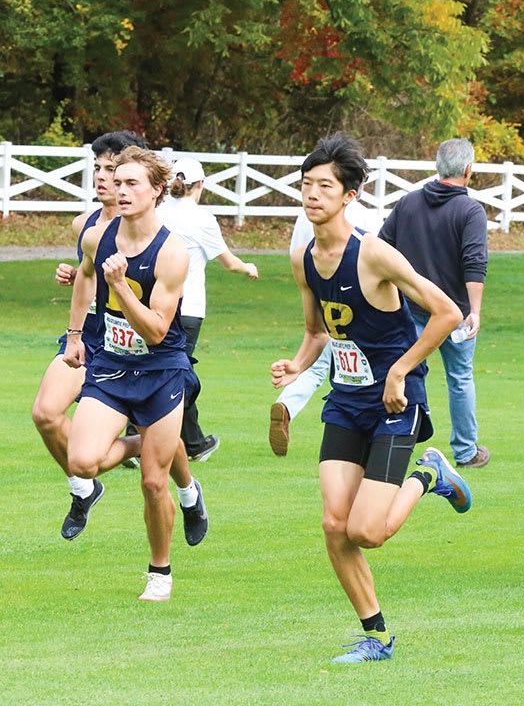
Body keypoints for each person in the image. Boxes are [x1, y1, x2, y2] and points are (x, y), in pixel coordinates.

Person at [269, 134, 472, 663]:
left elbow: (447, 312)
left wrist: (402, 370)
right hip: (345, 400)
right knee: (335, 526)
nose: (312, 195)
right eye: (306, 185)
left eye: (324, 186)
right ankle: (377, 636)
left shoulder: (375, 253)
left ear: (349, 195)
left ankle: (429, 475)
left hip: (395, 404)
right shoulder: (304, 259)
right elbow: (317, 333)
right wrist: (295, 363)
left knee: (367, 531)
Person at [64, 146, 210, 602]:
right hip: (110, 365)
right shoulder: (98, 236)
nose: (121, 191)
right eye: (118, 182)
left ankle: (159, 572)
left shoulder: (173, 252)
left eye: (132, 184)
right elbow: (87, 276)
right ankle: (154, 443)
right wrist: (74, 335)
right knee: (82, 462)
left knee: (152, 481)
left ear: (157, 191)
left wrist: (121, 287)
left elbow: (156, 330)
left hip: (161, 368)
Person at [32, 130, 143, 539]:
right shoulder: (85, 224)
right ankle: (84, 489)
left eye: (111, 170)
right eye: (96, 168)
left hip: (126, 346)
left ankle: (161, 457)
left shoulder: (146, 229)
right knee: (45, 414)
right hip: (85, 336)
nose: (100, 177)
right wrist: (71, 274)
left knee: (97, 452)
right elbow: (86, 275)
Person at [379, 138, 490, 468]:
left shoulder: (408, 203)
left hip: (410, 308)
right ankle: (466, 452)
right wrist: (475, 311)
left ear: (438, 165)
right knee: (459, 379)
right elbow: (474, 261)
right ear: (469, 170)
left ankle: (402, 440)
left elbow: (383, 249)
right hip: (454, 311)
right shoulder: (470, 210)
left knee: (408, 373)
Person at [157, 157, 259, 462]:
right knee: (179, 376)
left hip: (152, 302)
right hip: (187, 306)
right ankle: (169, 441)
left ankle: (193, 442)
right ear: (200, 184)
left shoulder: (155, 211)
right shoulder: (202, 218)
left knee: (163, 370)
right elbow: (228, 262)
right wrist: (248, 268)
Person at [269, 196, 381, 456]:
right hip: (357, 309)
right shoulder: (366, 216)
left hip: (322, 298)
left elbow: (297, 257)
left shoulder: (306, 214)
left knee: (315, 365)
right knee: (350, 371)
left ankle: (286, 404)